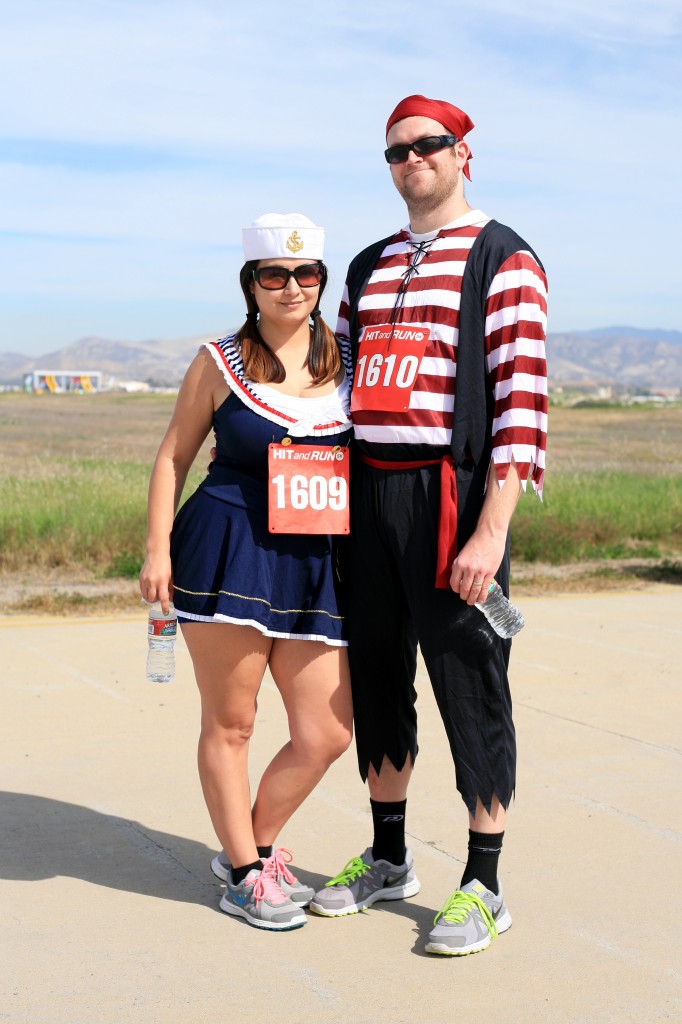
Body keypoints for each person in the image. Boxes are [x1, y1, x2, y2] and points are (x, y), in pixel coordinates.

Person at [309, 96, 548, 956]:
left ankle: (484, 882)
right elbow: (336, 383)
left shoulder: (501, 257)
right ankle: (389, 857)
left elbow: (520, 406)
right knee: (376, 675)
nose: (412, 159)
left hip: (450, 499)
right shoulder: (370, 266)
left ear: (462, 155)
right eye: (397, 151)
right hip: (366, 495)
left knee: (470, 679)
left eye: (429, 146)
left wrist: (491, 532)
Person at [139, 213, 354, 931]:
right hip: (227, 547)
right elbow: (173, 455)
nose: (292, 287)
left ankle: (250, 849)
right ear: (251, 284)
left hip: (318, 559)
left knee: (326, 733)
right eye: (274, 274)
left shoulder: (350, 362)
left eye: (306, 274)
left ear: (322, 281)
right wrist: (156, 550)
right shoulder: (219, 361)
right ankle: (242, 874)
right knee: (233, 722)